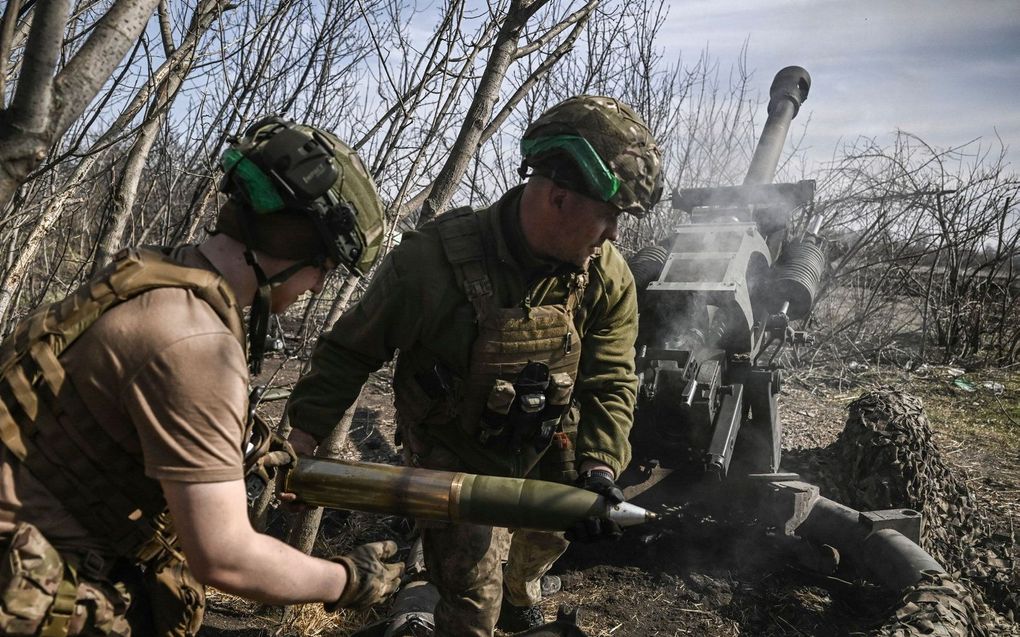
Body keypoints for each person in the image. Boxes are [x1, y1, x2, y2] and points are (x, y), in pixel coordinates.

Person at [0, 117, 403, 636]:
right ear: (303, 255)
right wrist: (349, 580)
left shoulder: (145, 274)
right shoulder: (197, 345)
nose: (314, 287)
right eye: (322, 271)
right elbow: (226, 558)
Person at [285, 95, 662, 636]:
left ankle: (520, 587)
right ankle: (445, 589)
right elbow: (350, 351)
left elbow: (611, 379)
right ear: (558, 198)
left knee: (551, 532)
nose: (614, 235)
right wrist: (302, 438)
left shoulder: (606, 275)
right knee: (470, 608)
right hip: (456, 451)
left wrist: (600, 468)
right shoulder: (430, 263)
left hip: (549, 435)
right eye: (609, 216)